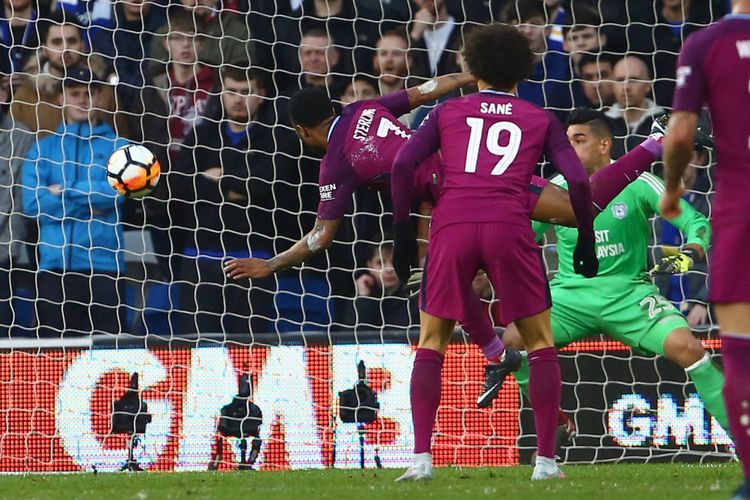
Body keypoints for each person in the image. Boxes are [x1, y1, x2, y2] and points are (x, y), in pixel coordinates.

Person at [389, 24, 597, 481]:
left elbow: (403, 162)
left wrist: (403, 230)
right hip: (509, 224)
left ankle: (421, 459)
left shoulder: (446, 111)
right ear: (523, 70)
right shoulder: (538, 117)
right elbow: (579, 182)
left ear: (473, 66)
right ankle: (545, 463)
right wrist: (583, 235)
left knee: (432, 342)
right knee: (540, 342)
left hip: (453, 223)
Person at [501, 108, 727, 455]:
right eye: (566, 142)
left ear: (605, 144)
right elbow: (513, 239)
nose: (569, 149)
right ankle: (556, 421)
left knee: (691, 349)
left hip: (629, 294)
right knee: (513, 341)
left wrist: (690, 251)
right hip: (570, 297)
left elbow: (697, 223)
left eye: (579, 140)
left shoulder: (639, 184)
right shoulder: (554, 190)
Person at [661, 3, 750, 497]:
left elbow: (679, 134)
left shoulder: (706, 42)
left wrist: (672, 188)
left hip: (743, 207)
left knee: (740, 354)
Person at [170, 67, 294, 335]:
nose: (238, 98)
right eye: (232, 91)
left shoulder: (277, 137)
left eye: (246, 91)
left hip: (255, 259)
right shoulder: (202, 135)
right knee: (197, 349)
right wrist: (235, 188)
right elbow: (179, 185)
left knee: (249, 350)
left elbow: (266, 188)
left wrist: (215, 179)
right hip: (201, 258)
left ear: (261, 95)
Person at [21, 66, 128, 337]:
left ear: (102, 97)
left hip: (104, 268)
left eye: (90, 93)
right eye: (75, 93)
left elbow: (115, 195)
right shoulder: (42, 148)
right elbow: (33, 204)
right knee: (53, 363)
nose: (82, 99)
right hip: (54, 268)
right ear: (61, 98)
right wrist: (91, 200)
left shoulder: (121, 147)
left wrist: (63, 190)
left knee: (110, 361)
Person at [340, 237, 418, 330]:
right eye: (380, 263)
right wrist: (363, 297)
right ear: (369, 266)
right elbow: (349, 337)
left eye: (394, 262)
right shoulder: (357, 300)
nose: (389, 269)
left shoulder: (416, 298)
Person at [606, 55, 666, 157]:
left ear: (647, 85)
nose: (625, 87)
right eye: (620, 80)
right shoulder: (602, 123)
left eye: (633, 80)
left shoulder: (665, 123)